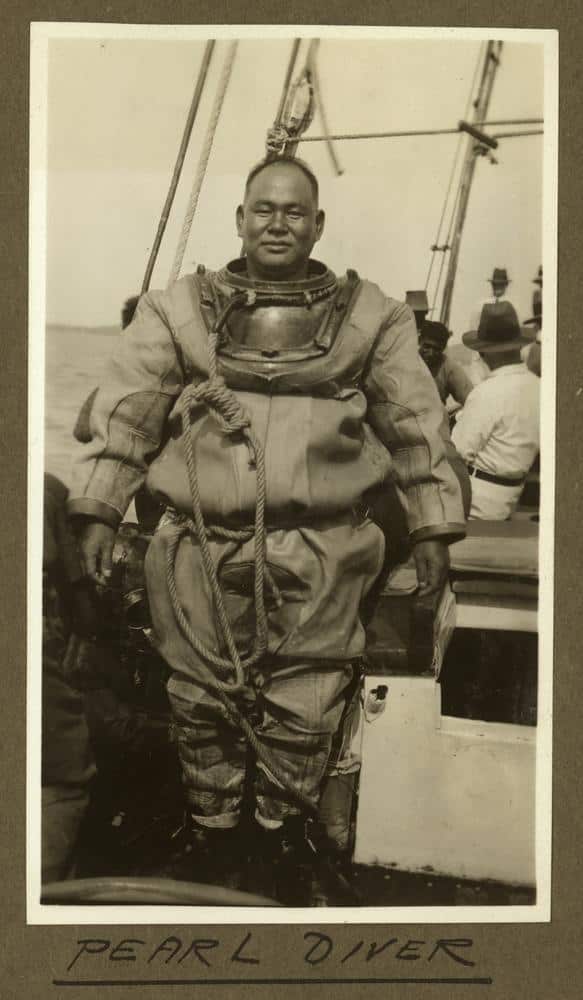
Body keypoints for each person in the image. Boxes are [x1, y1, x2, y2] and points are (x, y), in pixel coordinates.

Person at [68, 156, 466, 875]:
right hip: (199, 546)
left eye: (292, 211)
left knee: (307, 702)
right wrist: (97, 511)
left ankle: (280, 835)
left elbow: (414, 423)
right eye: (262, 209)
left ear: (317, 224)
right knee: (199, 699)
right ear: (240, 219)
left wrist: (433, 526)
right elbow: (129, 410)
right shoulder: (176, 310)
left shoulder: (373, 316)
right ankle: (212, 831)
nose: (276, 222)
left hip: (325, 546)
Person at [451, 301, 539, 520]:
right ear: (519, 345)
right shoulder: (540, 387)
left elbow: (457, 453)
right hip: (511, 495)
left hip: (477, 503)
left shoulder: (486, 393)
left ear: (485, 353)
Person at [418, 319, 473, 406]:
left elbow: (471, 400)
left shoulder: (449, 367)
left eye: (436, 349)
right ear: (419, 341)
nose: (431, 353)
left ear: (443, 348)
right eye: (427, 346)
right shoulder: (404, 359)